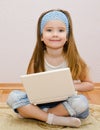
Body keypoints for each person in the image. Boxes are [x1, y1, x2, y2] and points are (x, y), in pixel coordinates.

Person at [7, 9, 94, 127]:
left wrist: (69, 85)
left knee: (81, 102)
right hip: (42, 102)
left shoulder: (75, 59)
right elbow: (29, 86)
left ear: (67, 36)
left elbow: (89, 84)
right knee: (13, 97)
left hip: (64, 104)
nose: (55, 34)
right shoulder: (37, 60)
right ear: (41, 36)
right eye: (49, 30)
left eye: (61, 30)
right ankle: (54, 119)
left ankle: (37, 115)